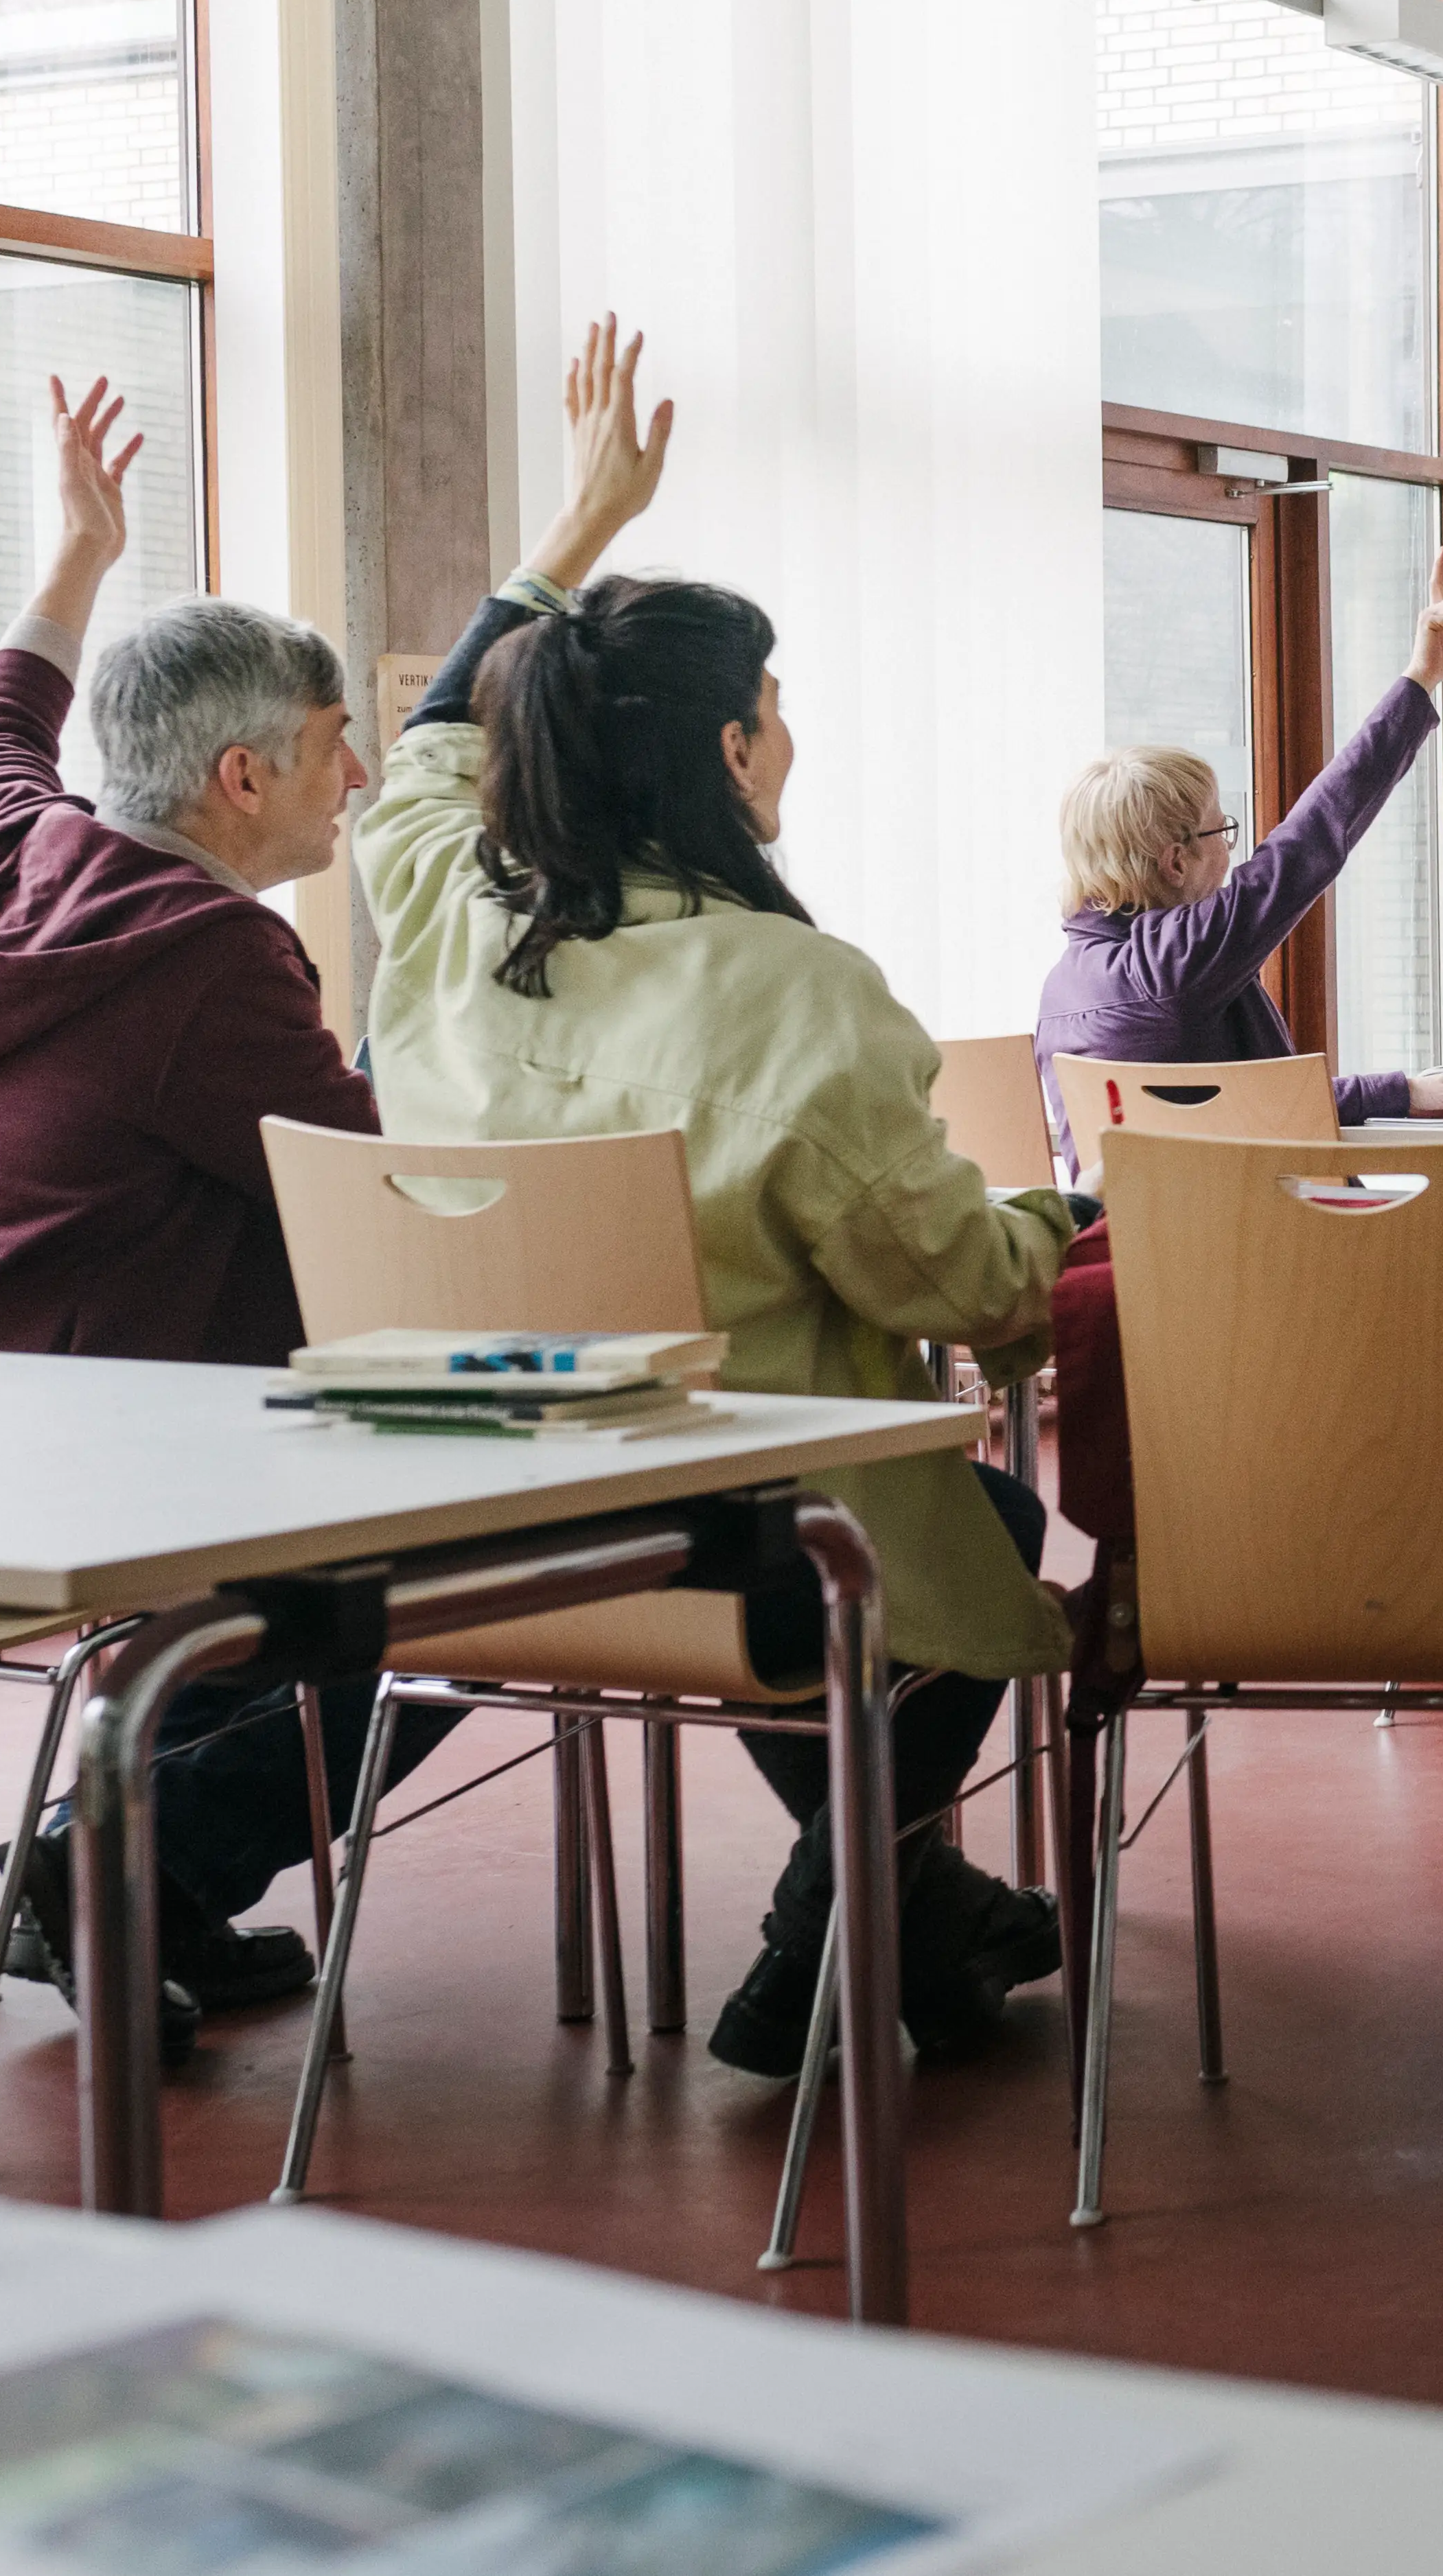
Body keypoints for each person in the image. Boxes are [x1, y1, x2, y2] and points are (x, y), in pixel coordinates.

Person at [354, 320, 1077, 2075]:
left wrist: (571, 527)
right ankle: (831, 1928)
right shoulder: (792, 989)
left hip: (466, 1535)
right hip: (723, 1547)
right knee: (973, 1536)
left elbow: (431, 750)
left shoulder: (447, 925)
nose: (790, 733)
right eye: (773, 707)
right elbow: (959, 1289)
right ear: (731, 756)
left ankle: (910, 1922)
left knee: (850, 1561)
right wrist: (1062, 1208)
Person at [0, 378, 447, 2056]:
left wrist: (78, 556)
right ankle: (114, 1857)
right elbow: (383, 1203)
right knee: (468, 1592)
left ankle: (154, 1890)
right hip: (116, 1454)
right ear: (246, 772)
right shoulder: (208, 958)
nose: (364, 771)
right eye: (342, 743)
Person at [1036, 592, 1443, 1165]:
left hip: (1140, 1248)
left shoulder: (1061, 992)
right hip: (1256, 1238)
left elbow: (1234, 1108)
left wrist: (1402, 1093)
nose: (1233, 850)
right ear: (1175, 862)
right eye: (1220, 832)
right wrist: (1421, 677)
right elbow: (1312, 837)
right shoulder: (1178, 962)